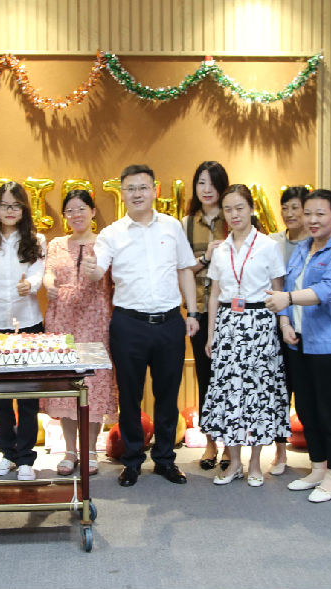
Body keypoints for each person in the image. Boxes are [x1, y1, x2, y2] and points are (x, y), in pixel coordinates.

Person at [82, 164, 199, 487]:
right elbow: (98, 270)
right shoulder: (111, 233)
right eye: (131, 188)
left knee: (168, 395)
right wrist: (91, 269)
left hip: (169, 322)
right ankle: (132, 461)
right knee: (129, 397)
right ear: (122, 193)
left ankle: (165, 460)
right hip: (128, 324)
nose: (137, 194)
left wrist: (192, 313)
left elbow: (185, 269)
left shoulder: (172, 227)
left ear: (155, 191)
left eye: (143, 187)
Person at [265, 189, 331, 503]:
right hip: (300, 343)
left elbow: (328, 290)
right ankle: (318, 467)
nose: (312, 220)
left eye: (320, 214)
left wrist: (288, 300)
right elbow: (286, 287)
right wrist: (285, 323)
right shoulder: (303, 248)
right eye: (308, 213)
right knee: (307, 409)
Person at [202, 185, 289, 487]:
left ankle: (255, 463)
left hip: (260, 324)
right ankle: (234, 463)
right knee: (230, 394)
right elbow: (215, 295)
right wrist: (211, 334)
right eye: (228, 209)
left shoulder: (268, 246)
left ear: (251, 209)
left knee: (258, 393)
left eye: (239, 208)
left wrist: (282, 326)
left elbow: (278, 291)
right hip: (228, 324)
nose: (234, 214)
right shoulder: (220, 249)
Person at [0, 181, 46, 482]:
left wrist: (31, 285)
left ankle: (26, 457)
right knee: (1, 395)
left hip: (28, 322)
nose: (10, 211)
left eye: (16, 205)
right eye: (4, 205)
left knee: (28, 396)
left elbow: (39, 273)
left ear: (24, 209)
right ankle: (6, 452)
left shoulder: (37, 240)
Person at [42, 189, 118, 477]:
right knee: (66, 384)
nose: (76, 215)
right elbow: (48, 272)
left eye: (81, 209)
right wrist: (48, 283)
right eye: (70, 211)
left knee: (93, 384)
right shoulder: (57, 244)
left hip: (96, 319)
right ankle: (70, 451)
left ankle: (90, 450)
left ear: (93, 211)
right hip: (62, 321)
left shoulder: (105, 243)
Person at [180, 161, 229, 471]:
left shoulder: (236, 217)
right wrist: (206, 256)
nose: (207, 189)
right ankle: (210, 442)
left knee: (232, 379)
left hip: (233, 312)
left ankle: (232, 446)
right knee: (206, 377)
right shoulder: (185, 224)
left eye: (212, 183)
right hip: (199, 311)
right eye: (201, 183)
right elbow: (181, 270)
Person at [267, 185, 310, 475]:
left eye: (295, 207)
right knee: (278, 391)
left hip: (308, 327)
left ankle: (319, 455)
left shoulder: (316, 244)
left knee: (307, 394)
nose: (289, 213)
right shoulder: (272, 243)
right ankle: (280, 453)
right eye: (285, 208)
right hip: (275, 327)